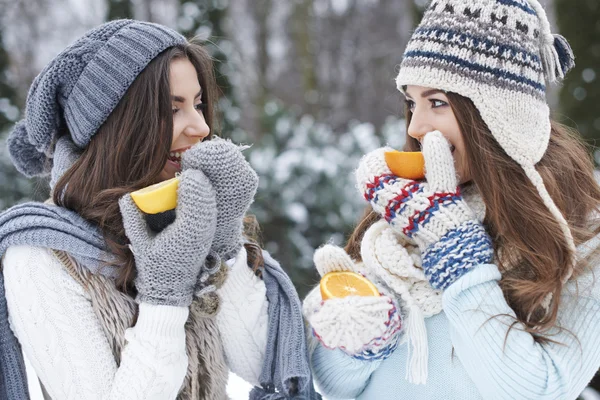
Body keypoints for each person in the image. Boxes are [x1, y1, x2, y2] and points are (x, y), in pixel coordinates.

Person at [0, 19, 319, 399]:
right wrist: (164, 295)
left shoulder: (186, 214)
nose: (200, 126)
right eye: (173, 109)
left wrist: (224, 240)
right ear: (116, 126)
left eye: (199, 104)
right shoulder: (42, 256)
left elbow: (260, 366)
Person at [303, 0, 600, 399]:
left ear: (498, 116)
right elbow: (335, 385)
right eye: (411, 102)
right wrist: (364, 330)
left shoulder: (584, 239)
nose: (415, 125)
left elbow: (538, 389)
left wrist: (456, 253)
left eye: (437, 102)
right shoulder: (405, 217)